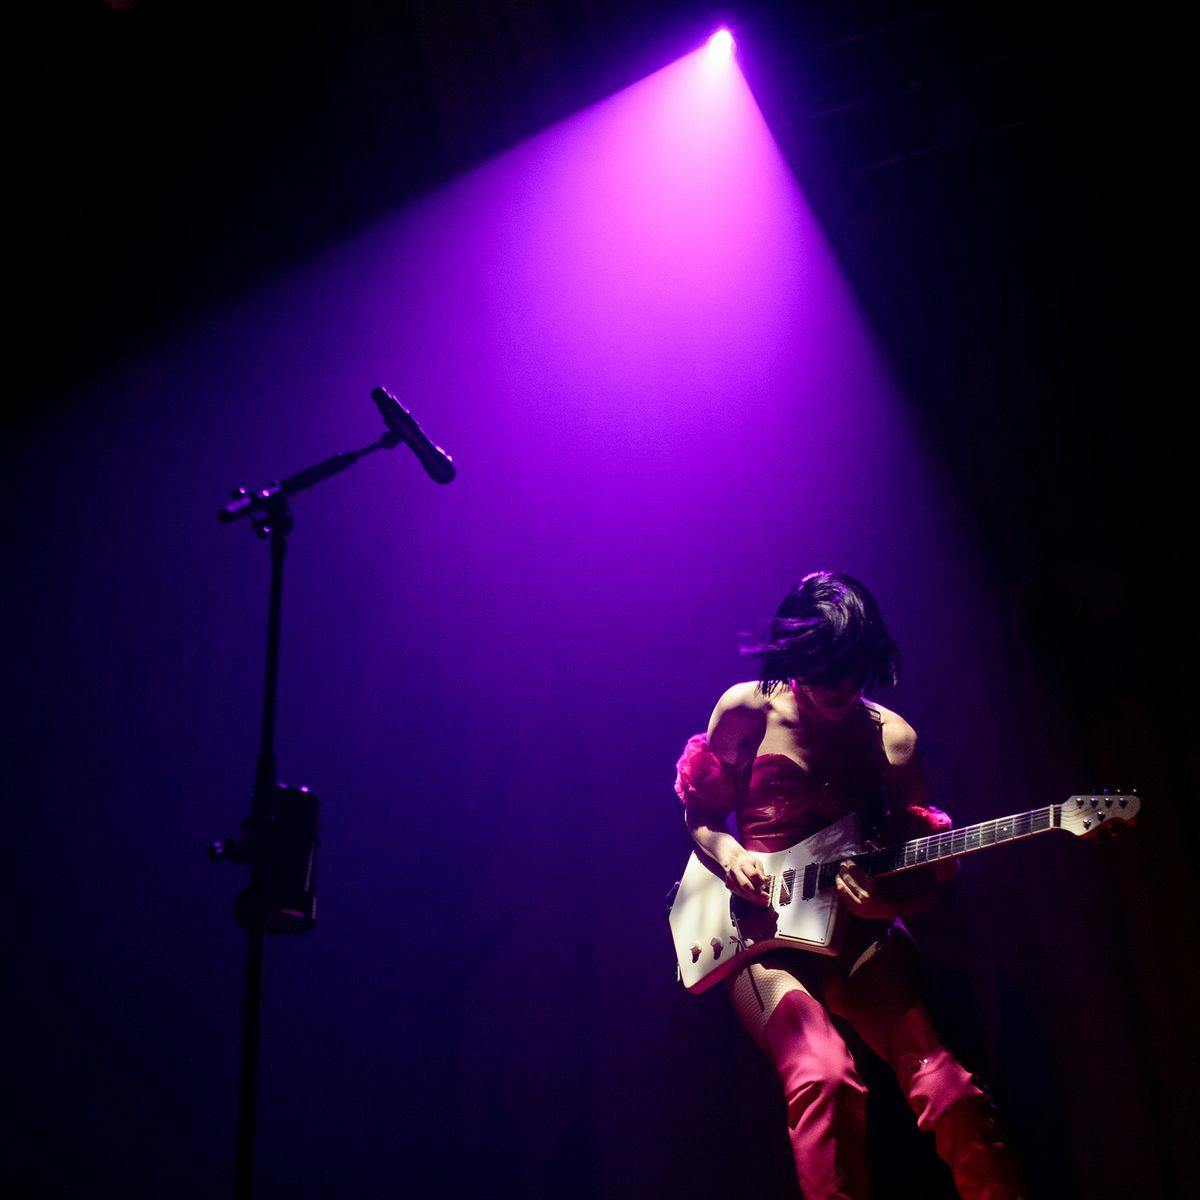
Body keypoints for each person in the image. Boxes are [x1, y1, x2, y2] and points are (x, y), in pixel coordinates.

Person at [674, 571, 1023, 1199]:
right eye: (824, 669)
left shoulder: (893, 739)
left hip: (860, 938)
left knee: (946, 1086)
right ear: (797, 655)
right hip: (768, 944)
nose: (838, 687)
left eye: (851, 671)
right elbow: (701, 817)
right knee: (823, 1078)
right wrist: (730, 854)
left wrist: (891, 899)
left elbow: (918, 871)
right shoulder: (746, 710)